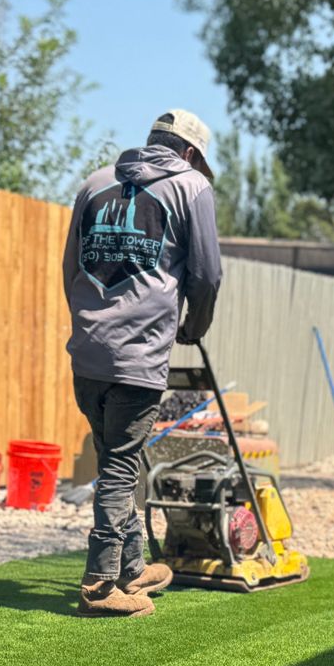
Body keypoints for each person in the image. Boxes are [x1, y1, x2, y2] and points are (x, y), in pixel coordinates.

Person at [62, 109, 223, 617]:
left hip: (88, 353)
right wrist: (194, 326)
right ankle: (99, 584)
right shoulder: (191, 186)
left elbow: (70, 268)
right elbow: (207, 276)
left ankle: (132, 568)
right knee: (119, 466)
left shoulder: (94, 184)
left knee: (116, 457)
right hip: (139, 354)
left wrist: (91, 326)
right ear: (190, 153)